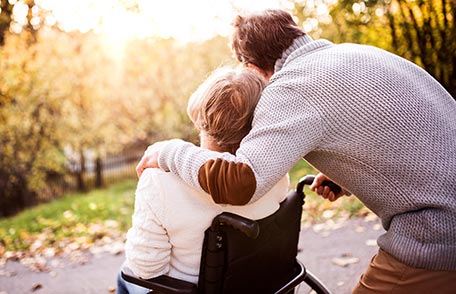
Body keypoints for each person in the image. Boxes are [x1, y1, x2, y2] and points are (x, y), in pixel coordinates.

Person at [136, 8, 456, 293]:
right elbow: (401, 129)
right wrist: (346, 174)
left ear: (250, 67)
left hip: (439, 231)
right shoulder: (355, 54)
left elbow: (242, 183)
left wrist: (168, 152)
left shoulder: (292, 87)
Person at [117, 67, 289, 294]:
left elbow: (146, 268)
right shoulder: (273, 171)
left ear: (201, 116)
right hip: (259, 283)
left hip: (191, 290)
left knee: (125, 275)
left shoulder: (158, 181)